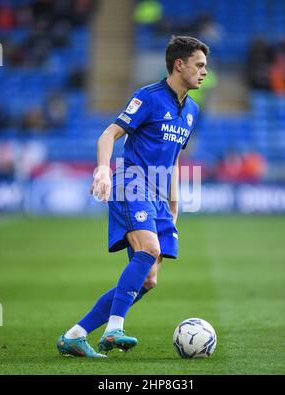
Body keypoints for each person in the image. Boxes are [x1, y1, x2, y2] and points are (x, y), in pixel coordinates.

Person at [57, 35, 209, 358]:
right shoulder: (149, 97)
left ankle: (76, 334)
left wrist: (173, 204)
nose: (204, 72)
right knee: (149, 249)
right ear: (179, 65)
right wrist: (101, 169)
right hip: (130, 183)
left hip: (158, 196)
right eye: (199, 65)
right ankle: (114, 329)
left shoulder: (192, 110)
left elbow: (174, 160)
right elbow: (108, 134)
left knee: (148, 279)